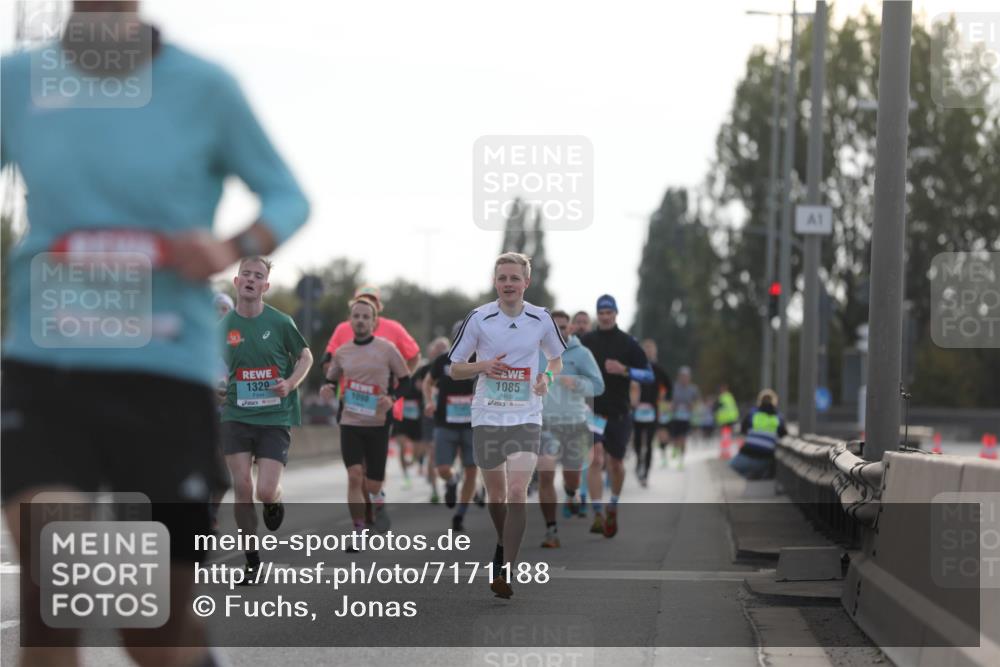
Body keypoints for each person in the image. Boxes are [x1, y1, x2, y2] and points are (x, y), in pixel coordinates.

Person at [1, 3, 308, 664]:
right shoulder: (20, 78)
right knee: (56, 582)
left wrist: (232, 244)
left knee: (154, 633)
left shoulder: (204, 86)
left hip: (164, 373)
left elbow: (287, 195)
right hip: (46, 366)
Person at [448, 253, 565, 598]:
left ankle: (506, 569)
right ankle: (502, 544)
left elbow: (556, 360)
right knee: (497, 496)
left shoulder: (541, 318)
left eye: (515, 278)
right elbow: (454, 367)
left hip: (526, 414)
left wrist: (546, 377)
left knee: (516, 492)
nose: (509, 284)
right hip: (487, 413)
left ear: (526, 282)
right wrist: (483, 365)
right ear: (494, 282)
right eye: (503, 278)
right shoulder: (479, 318)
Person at [220, 256, 313, 580]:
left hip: (274, 417)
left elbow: (305, 356)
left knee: (264, 491)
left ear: (265, 286)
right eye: (245, 273)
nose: (250, 279)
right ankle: (251, 559)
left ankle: (275, 500)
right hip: (236, 414)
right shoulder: (223, 328)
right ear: (236, 282)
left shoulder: (280, 322)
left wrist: (290, 383)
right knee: (243, 486)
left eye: (257, 276)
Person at [321, 298, 412, 541]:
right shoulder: (342, 353)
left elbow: (406, 381)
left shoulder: (387, 349)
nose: (360, 320)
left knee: (372, 484)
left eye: (365, 317)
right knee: (353, 475)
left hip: (378, 424)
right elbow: (330, 379)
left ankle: (378, 497)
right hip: (350, 422)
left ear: (373, 322)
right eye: (356, 316)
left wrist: (391, 398)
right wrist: (328, 389)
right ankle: (358, 528)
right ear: (350, 321)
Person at [580, 295, 653, 538]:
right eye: (601, 312)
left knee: (616, 464)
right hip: (594, 411)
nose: (605, 316)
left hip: (620, 413)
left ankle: (613, 504)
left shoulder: (628, 343)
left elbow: (648, 376)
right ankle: (598, 512)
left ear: (616, 314)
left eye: (609, 312)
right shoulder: (586, 341)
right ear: (597, 315)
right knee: (596, 459)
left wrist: (624, 370)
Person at [537, 310, 604, 547]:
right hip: (545, 424)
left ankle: (571, 492)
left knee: (573, 477)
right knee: (545, 474)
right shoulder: (535, 352)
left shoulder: (581, 354)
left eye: (563, 327)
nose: (559, 330)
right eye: (554, 327)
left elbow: (598, 386)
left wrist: (575, 382)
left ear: (570, 329)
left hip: (575, 423)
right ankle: (551, 530)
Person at [424, 326, 478, 531]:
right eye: (459, 337)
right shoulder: (443, 360)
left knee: (472, 471)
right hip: (445, 423)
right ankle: (452, 480)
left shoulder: (479, 360)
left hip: (473, 425)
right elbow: (428, 383)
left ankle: (460, 514)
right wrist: (429, 402)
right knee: (442, 469)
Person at [629, 339, 671, 487]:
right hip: (637, 410)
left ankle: (645, 474)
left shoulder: (659, 369)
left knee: (650, 443)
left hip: (653, 410)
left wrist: (664, 399)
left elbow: (668, 387)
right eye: (645, 349)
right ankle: (639, 461)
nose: (648, 352)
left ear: (655, 352)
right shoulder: (635, 367)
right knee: (638, 442)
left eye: (650, 349)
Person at [730, 389, 787, 480]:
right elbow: (784, 435)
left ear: (759, 401)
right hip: (765, 458)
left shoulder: (752, 414)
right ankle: (758, 477)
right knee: (766, 467)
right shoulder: (778, 417)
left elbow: (743, 429)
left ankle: (751, 478)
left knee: (732, 465)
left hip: (746, 454)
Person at [666, 366, 701, 469]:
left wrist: (693, 407)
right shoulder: (674, 387)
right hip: (675, 417)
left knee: (683, 438)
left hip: (686, 418)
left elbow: (698, 402)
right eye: (682, 376)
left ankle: (681, 461)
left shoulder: (693, 389)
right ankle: (675, 448)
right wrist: (671, 406)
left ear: (689, 377)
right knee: (675, 439)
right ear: (679, 377)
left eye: (686, 376)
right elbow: (668, 400)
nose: (684, 378)